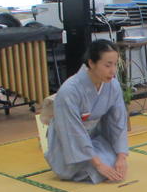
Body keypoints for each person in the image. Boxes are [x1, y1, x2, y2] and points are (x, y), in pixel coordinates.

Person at [45, 39, 129, 183]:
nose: (113, 71)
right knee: (97, 169)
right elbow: (72, 131)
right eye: (107, 65)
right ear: (91, 63)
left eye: (115, 64)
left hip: (94, 136)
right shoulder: (69, 91)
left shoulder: (113, 86)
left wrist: (121, 157)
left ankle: (100, 160)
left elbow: (117, 122)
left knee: (113, 164)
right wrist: (98, 164)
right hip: (68, 141)